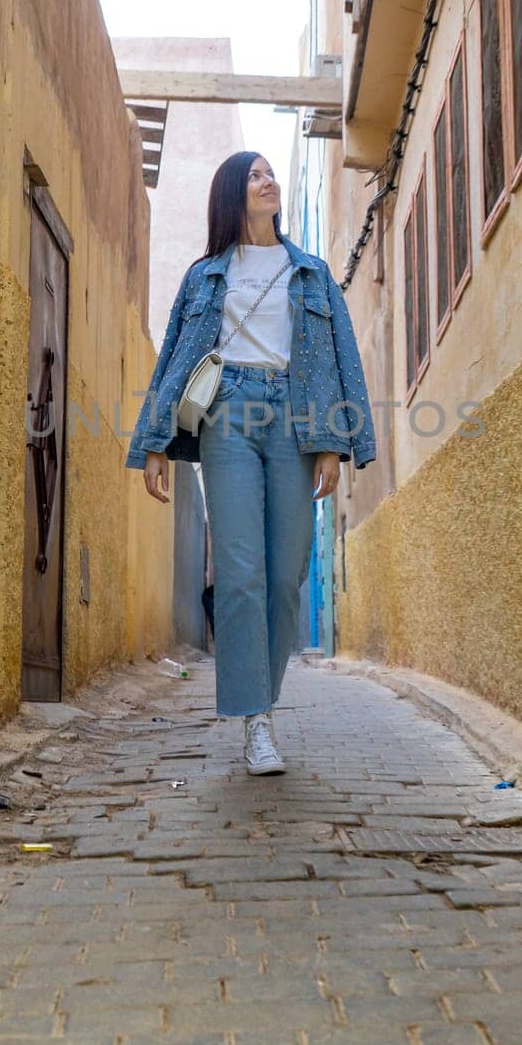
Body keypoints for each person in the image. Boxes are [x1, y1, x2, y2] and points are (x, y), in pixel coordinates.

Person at [125, 151, 377, 774]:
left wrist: (337, 443)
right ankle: (256, 721)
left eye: (271, 173)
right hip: (228, 413)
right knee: (239, 572)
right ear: (234, 194)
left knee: (285, 572)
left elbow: (343, 357)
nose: (269, 182)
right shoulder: (206, 276)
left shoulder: (312, 273)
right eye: (256, 175)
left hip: (295, 415)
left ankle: (262, 703)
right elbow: (177, 360)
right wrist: (155, 441)